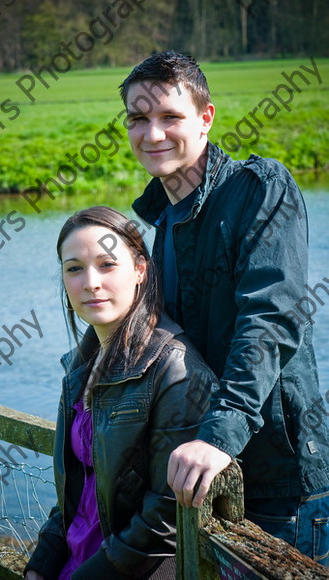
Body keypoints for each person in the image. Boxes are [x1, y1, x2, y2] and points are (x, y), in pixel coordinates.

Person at [119, 51, 329, 564]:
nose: (153, 134)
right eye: (139, 119)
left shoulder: (259, 189)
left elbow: (269, 317)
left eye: (171, 117)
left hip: (280, 486)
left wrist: (219, 434)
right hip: (201, 482)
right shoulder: (162, 224)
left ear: (206, 117)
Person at [24, 206, 218, 579]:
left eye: (107, 264)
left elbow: (166, 517)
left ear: (140, 270)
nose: (91, 282)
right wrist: (41, 565)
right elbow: (77, 490)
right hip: (74, 562)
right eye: (74, 268)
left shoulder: (175, 369)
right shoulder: (81, 367)